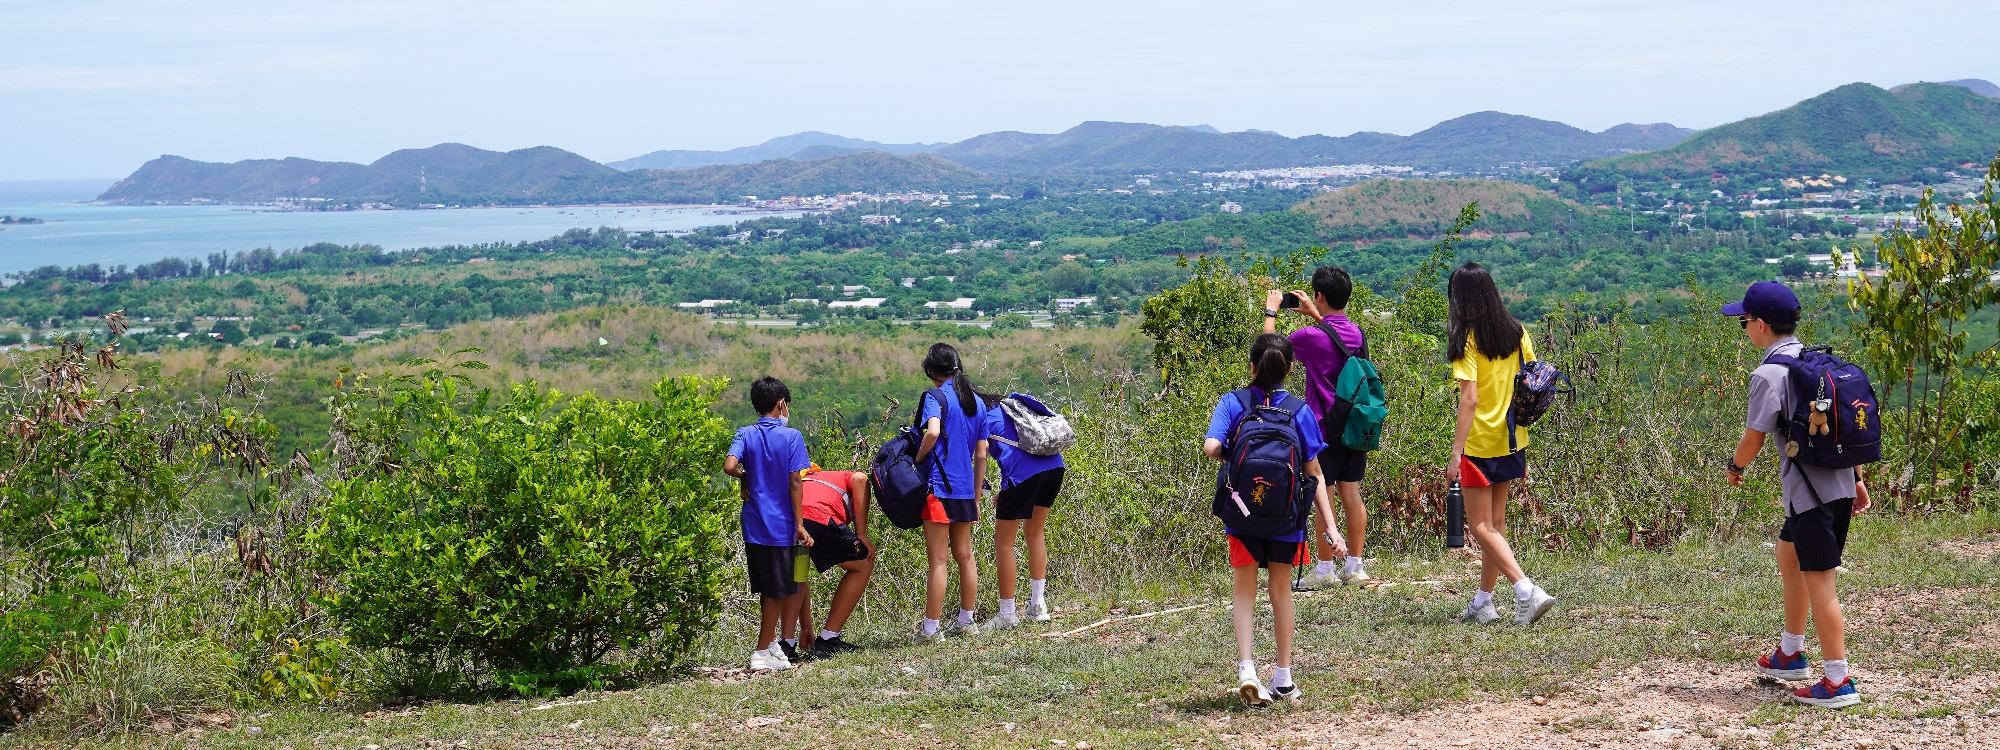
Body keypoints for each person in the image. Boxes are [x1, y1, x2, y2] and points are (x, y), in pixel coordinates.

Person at [1723, 281, 1871, 709]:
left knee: (1821, 582)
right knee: (1789, 553)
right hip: (1836, 486)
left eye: (1745, 322)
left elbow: (1754, 437)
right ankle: (1790, 654)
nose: (1744, 329)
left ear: (1762, 325)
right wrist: (1857, 479)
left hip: (1813, 497)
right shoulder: (1816, 360)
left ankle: (1838, 681)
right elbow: (1839, 429)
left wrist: (1735, 468)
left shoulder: (1769, 374)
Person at [1203, 333, 1345, 707]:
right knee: (1281, 592)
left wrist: (1236, 456)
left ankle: (1247, 667)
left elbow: (1211, 447)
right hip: (1287, 518)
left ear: (1251, 366)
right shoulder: (1299, 411)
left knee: (1244, 590)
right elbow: (1314, 472)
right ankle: (1283, 677)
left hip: (1243, 515)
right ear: (1290, 369)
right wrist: (1330, 526)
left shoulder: (1233, 401)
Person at [1444, 262, 1557, 627]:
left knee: (1479, 526)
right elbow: (1532, 377)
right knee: (1495, 523)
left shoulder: (1467, 340)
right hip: (1513, 438)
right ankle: (1484, 601)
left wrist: (1456, 451)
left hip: (1479, 442)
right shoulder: (1516, 331)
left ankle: (1526, 590)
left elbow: (1470, 400)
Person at [1265, 265, 1373, 589]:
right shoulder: (1356, 332)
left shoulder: (1311, 336)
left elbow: (1269, 351)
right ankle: (1354, 567)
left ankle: (1325, 569)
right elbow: (1336, 339)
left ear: (1319, 296)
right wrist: (1318, 315)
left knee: (1322, 496)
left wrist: (1271, 309)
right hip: (1354, 425)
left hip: (1324, 428)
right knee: (1351, 494)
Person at [721, 377, 814, 671]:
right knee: (777, 590)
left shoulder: (745, 433)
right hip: (780, 522)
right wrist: (800, 524)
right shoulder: (791, 437)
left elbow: (729, 466)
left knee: (769, 586)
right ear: (781, 404)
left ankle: (771, 644)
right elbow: (795, 481)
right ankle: (762, 651)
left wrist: (745, 476)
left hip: (753, 523)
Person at [912, 343, 990, 641]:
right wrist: (976, 495)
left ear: (932, 371)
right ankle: (966, 621)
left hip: (939, 488)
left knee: (939, 561)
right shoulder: (977, 403)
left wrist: (919, 459)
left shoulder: (935, 397)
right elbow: (981, 454)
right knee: (965, 557)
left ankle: (931, 629)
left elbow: (932, 432)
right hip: (964, 492)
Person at [981, 393, 1066, 629]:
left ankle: (1007, 613)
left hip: (1023, 473)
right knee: (1035, 532)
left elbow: (982, 451)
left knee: (1004, 542)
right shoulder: (1012, 408)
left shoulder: (982, 418)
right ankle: (1038, 605)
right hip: (1054, 467)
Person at [796, 465, 875, 658]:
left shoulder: (806, 479)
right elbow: (860, 479)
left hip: (790, 520)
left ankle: (787, 643)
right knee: (863, 563)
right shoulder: (843, 477)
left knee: (798, 572)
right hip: (819, 515)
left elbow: (802, 578)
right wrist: (861, 533)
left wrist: (806, 625)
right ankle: (828, 640)